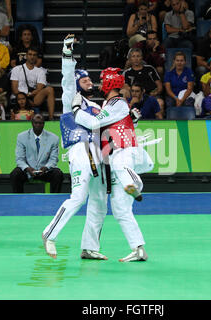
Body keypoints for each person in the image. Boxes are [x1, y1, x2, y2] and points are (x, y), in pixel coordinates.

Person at [73, 67, 154, 262]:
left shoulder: (116, 103)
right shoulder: (110, 105)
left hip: (124, 150)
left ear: (109, 83)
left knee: (120, 165)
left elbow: (94, 123)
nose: (98, 85)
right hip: (106, 158)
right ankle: (138, 248)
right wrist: (131, 120)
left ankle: (135, 184)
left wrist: (76, 110)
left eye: (102, 81)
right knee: (120, 209)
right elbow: (108, 124)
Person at [42, 34, 109, 261]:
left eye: (90, 79)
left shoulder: (96, 106)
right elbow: (67, 79)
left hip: (99, 154)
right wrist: (67, 53)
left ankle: (89, 247)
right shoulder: (72, 98)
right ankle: (49, 234)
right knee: (79, 197)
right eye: (84, 79)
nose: (89, 81)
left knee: (100, 201)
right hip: (80, 150)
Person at [10, 114, 64, 193]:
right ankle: (18, 200)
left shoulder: (53, 138)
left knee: (58, 174)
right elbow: (20, 159)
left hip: (45, 171)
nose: (38, 125)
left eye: (41, 123)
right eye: (36, 123)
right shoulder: (22, 137)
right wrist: (27, 168)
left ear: (44, 124)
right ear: (32, 123)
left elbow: (54, 159)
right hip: (28, 171)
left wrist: (46, 168)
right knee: (15, 174)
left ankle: (54, 200)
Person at [10, 46, 55, 120]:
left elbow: (39, 89)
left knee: (50, 89)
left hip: (33, 97)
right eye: (30, 54)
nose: (32, 57)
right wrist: (25, 98)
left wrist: (30, 96)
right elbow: (14, 89)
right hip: (19, 96)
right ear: (26, 56)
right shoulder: (17, 69)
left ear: (37, 57)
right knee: (20, 96)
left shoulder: (40, 71)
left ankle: (51, 118)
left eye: (34, 55)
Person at [123, 48, 164, 112]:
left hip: (151, 96)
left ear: (142, 58)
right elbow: (126, 87)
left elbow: (159, 86)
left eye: (138, 56)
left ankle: (160, 121)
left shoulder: (150, 69)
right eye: (133, 56)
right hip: (135, 96)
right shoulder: (127, 73)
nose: (136, 59)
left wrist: (155, 93)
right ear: (130, 59)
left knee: (160, 103)